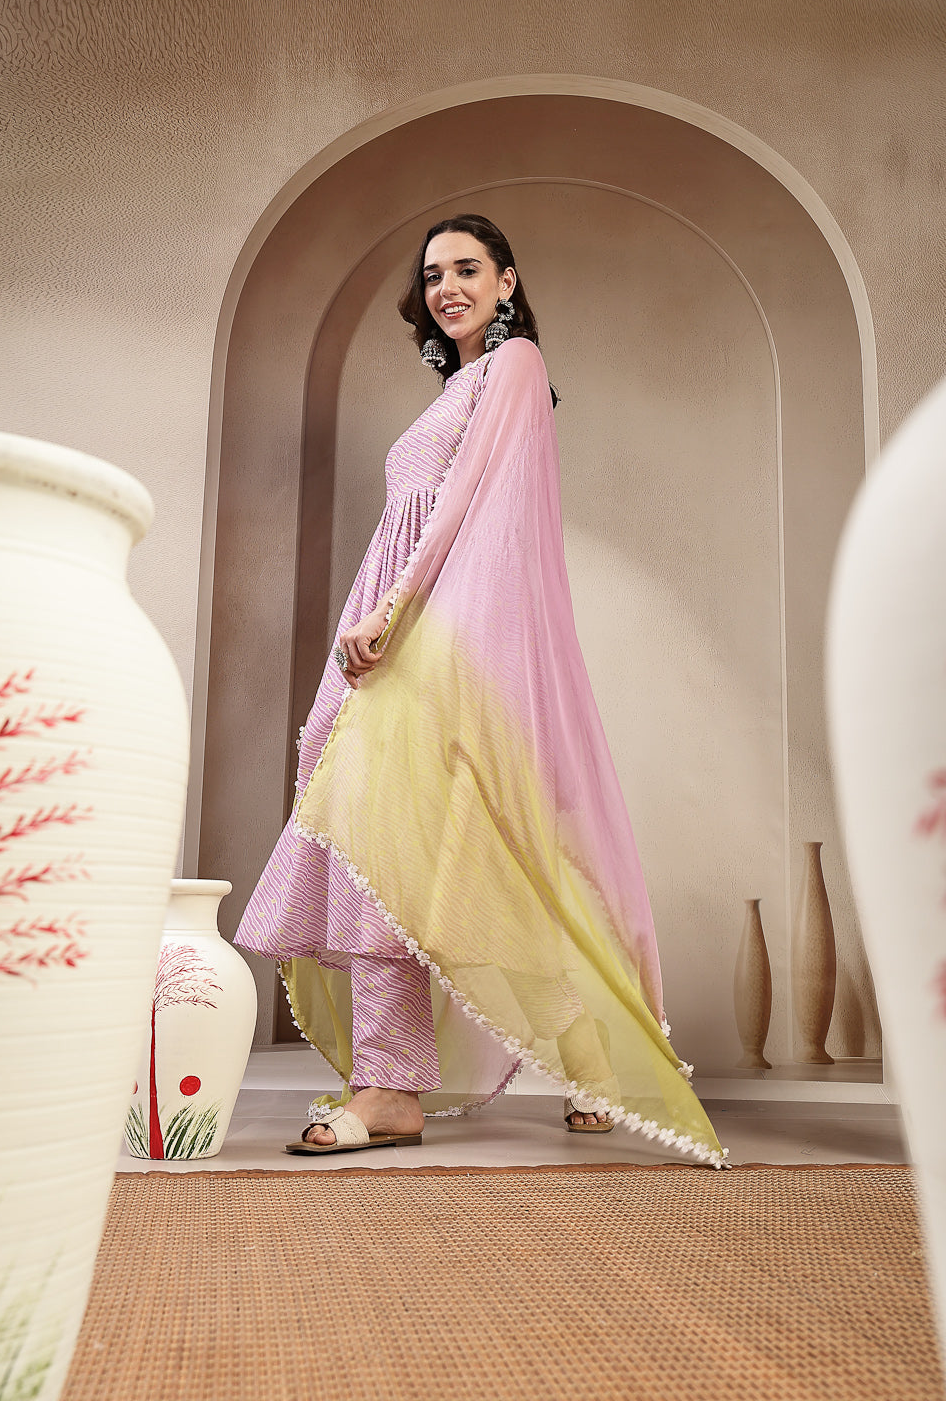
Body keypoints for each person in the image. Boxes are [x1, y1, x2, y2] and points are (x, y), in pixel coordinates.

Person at [234, 214, 726, 1167]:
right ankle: (447, 1075)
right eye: (433, 275)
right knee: (407, 855)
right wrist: (377, 620)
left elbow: (470, 514)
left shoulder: (515, 365)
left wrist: (398, 616)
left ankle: (414, 1086)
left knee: (431, 847)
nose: (447, 287)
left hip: (436, 637)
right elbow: (420, 514)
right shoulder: (459, 386)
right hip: (394, 631)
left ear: (507, 281)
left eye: (467, 268)